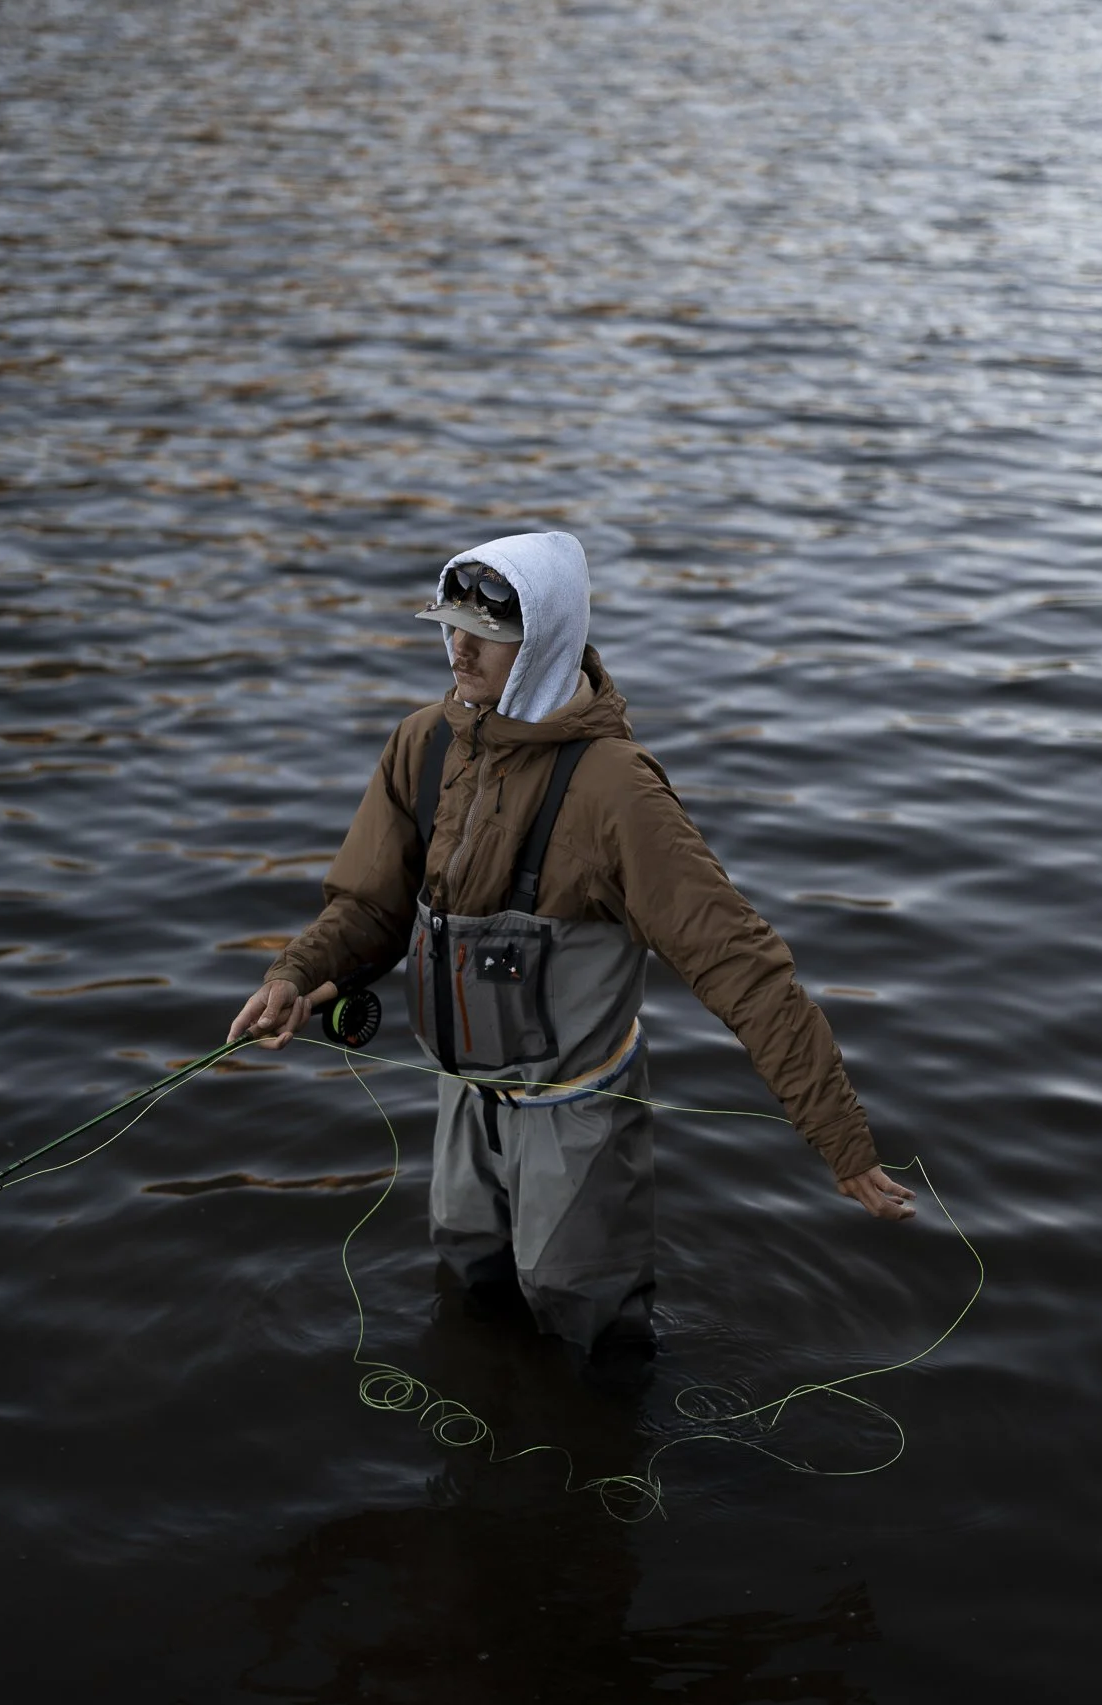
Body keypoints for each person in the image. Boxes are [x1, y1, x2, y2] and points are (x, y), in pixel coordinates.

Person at [228, 530, 913, 1383]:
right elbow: (369, 906)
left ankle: (604, 1469)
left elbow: (743, 966)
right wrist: (296, 976)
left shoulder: (616, 791)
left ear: (545, 636)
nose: (459, 647)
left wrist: (841, 1142)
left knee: (586, 1315)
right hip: (463, 1098)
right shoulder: (423, 745)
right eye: (448, 623)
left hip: (579, 1115)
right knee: (469, 1278)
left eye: (488, 632)